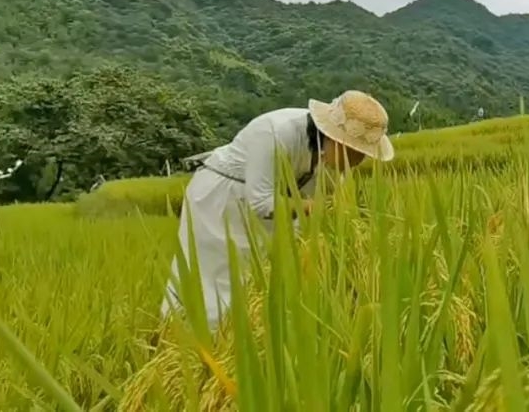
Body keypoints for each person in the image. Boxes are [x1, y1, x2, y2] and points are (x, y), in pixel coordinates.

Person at [159, 90, 395, 330]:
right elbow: (262, 202)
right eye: (353, 151)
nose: (356, 161)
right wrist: (315, 208)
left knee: (260, 283)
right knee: (212, 283)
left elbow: (319, 212)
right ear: (331, 136)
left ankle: (241, 343)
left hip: (279, 209)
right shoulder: (276, 132)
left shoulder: (337, 164)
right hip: (223, 200)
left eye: (363, 154)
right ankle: (181, 344)